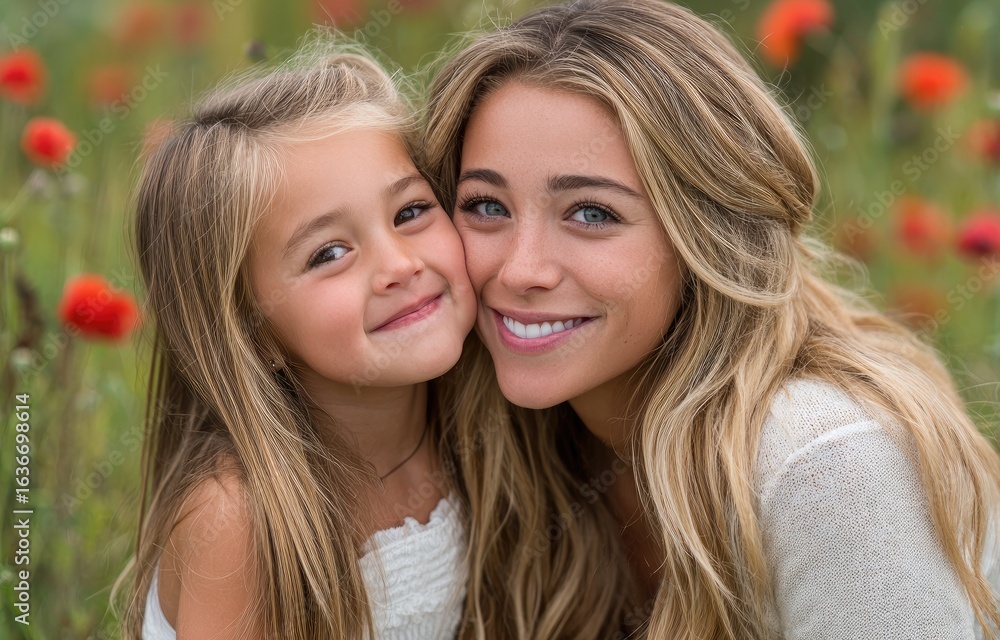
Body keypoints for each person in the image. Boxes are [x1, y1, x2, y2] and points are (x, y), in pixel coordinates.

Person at [423, 0, 1000, 637]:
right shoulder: (511, 442)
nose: (520, 270)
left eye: (591, 214)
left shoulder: (826, 464)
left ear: (704, 235)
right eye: (485, 205)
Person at [115, 45, 477, 639]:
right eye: (329, 253)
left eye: (410, 211)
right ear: (253, 333)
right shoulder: (238, 518)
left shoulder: (470, 426)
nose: (399, 264)